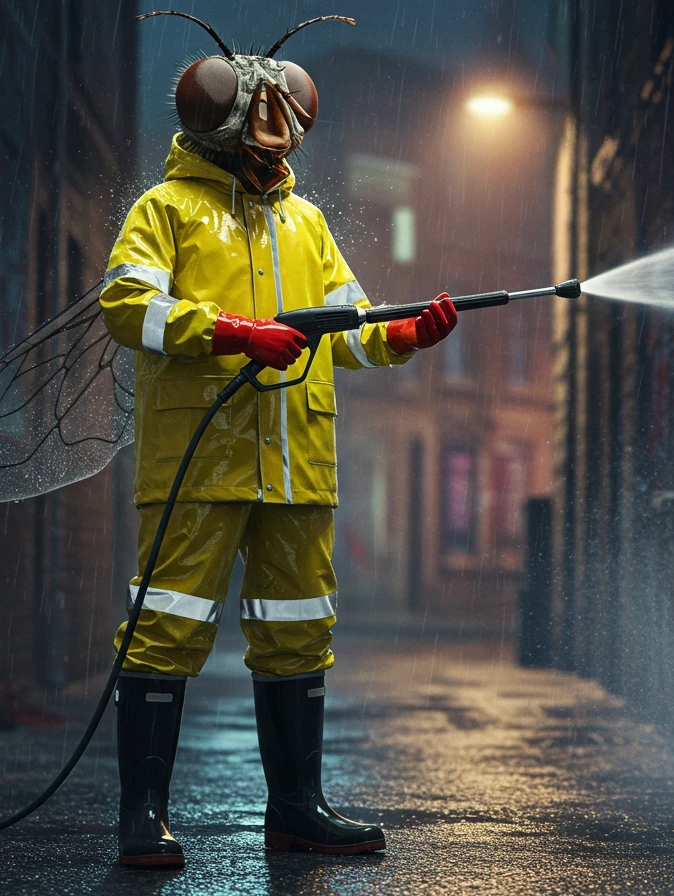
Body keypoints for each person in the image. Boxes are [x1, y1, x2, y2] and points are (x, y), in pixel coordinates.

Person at [98, 13, 458, 867]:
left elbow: (352, 327)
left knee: (298, 631)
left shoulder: (308, 225)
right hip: (202, 461)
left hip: (299, 466)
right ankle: (142, 817)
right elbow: (126, 307)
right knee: (166, 628)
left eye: (286, 106)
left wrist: (406, 334)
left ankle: (298, 808)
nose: (273, 126)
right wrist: (233, 331)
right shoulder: (166, 211)